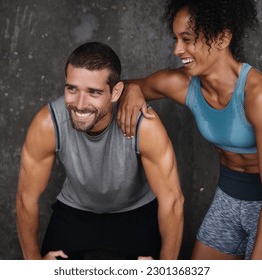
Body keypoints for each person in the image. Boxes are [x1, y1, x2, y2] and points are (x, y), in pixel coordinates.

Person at [117, 0, 262, 260]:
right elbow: (110, 88)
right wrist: (135, 89)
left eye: (187, 39)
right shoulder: (181, 84)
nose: (176, 49)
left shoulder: (259, 94)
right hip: (229, 194)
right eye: (175, 39)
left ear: (222, 38)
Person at [16, 42, 184, 260]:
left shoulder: (145, 124)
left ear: (115, 93)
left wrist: (164, 270)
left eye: (94, 92)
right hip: (76, 211)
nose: (80, 104)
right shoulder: (49, 123)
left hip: (135, 213)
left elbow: (172, 201)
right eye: (72, 89)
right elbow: (26, 198)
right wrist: (34, 265)